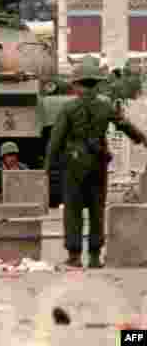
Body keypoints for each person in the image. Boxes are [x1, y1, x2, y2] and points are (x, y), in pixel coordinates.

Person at [47, 57, 146, 268]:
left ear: (78, 84)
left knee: (72, 209)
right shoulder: (105, 106)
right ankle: (94, 256)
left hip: (74, 164)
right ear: (96, 83)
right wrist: (142, 139)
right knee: (96, 208)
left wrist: (48, 167)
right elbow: (124, 125)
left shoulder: (68, 108)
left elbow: (55, 140)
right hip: (98, 162)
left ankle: (74, 256)